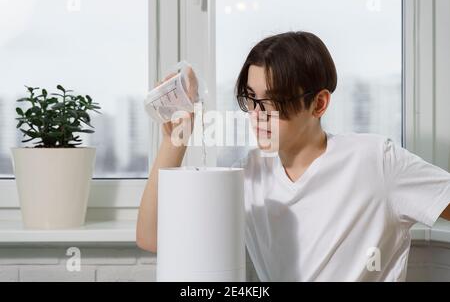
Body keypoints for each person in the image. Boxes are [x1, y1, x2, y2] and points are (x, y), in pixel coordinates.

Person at [137, 31, 450, 281]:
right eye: (251, 98)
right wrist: (175, 139)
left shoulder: (376, 162)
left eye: (272, 101)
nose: (257, 115)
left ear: (318, 104)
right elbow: (152, 238)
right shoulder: (249, 176)